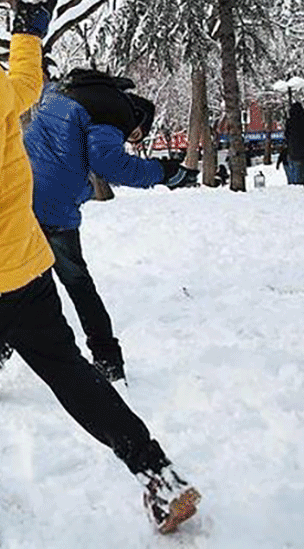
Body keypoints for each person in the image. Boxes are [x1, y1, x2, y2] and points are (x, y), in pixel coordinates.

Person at [0, 0, 199, 546]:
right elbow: (26, 83)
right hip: (31, 269)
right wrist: (28, 33)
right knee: (70, 373)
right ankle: (159, 474)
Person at [22, 68, 197, 383]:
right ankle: (108, 359)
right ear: (137, 119)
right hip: (53, 206)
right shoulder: (115, 111)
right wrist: (163, 172)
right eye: (136, 135)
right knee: (78, 283)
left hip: (17, 194)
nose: (131, 139)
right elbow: (110, 164)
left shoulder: (65, 91)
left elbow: (65, 148)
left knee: (17, 286)